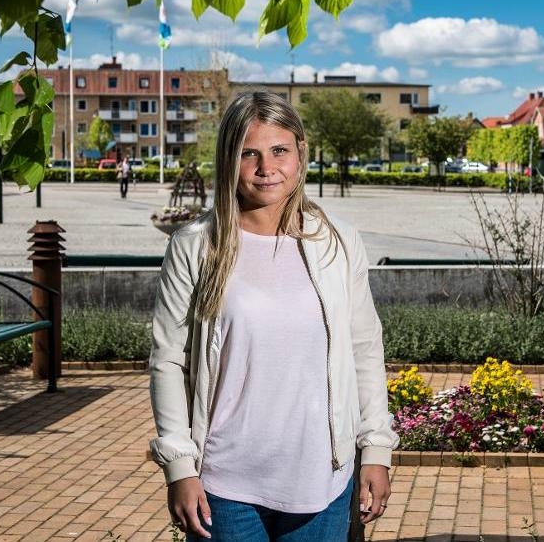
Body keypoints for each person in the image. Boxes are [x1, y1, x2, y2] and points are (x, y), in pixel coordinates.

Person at [149, 91, 397, 541]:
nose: (267, 168)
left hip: (321, 480)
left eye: (279, 150)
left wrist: (376, 448)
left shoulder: (337, 240)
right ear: (229, 159)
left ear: (301, 153)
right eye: (249, 154)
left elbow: (364, 347)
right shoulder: (194, 246)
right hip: (223, 485)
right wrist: (180, 467)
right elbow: (169, 361)